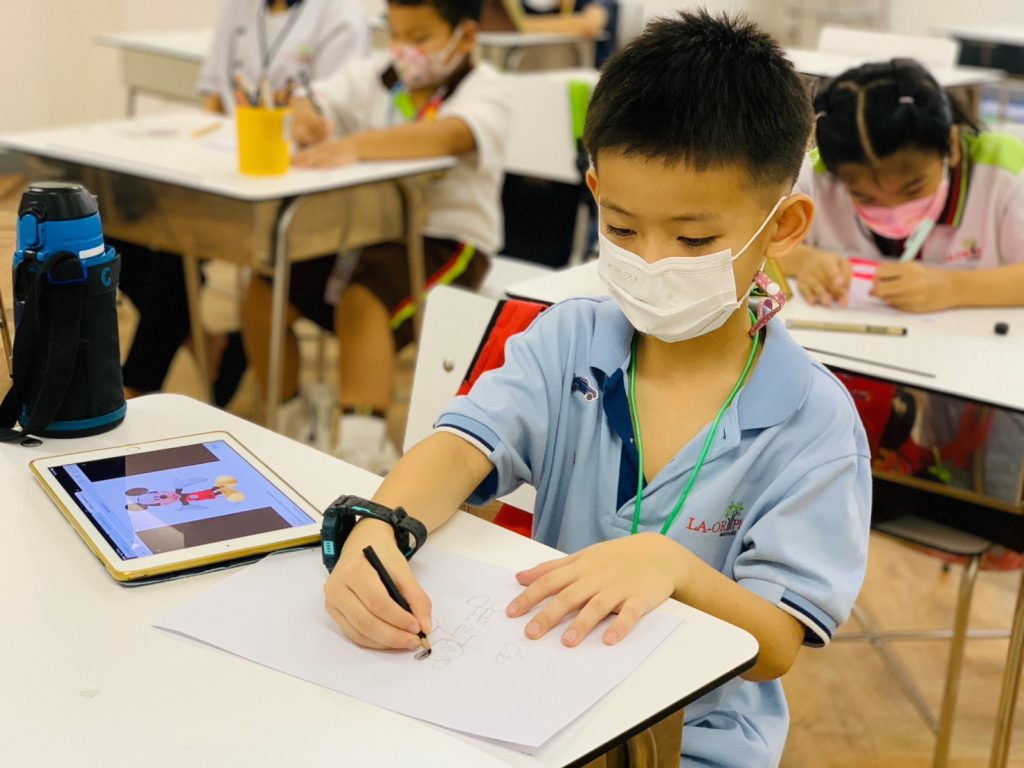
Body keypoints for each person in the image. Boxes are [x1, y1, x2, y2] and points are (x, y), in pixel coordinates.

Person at [320, 11, 871, 766]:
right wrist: (381, 526)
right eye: (622, 228)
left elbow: (776, 643)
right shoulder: (568, 342)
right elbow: (459, 450)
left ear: (783, 226)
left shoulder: (812, 421)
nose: (652, 262)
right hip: (533, 700)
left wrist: (676, 570)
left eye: (695, 239)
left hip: (692, 741)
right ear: (595, 192)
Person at [242, 0, 509, 472]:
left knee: (363, 301)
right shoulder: (374, 76)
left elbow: (450, 136)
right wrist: (301, 112)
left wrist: (353, 146)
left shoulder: (485, 87)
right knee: (266, 287)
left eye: (420, 38)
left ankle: (362, 454)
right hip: (362, 234)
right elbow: (310, 97)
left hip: (448, 242)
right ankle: (294, 423)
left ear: (466, 37)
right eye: (396, 35)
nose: (404, 50)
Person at [113, 0, 370, 403]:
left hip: (297, 179)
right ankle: (202, 341)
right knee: (116, 223)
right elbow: (215, 98)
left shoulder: (341, 14)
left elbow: (331, 116)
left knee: (180, 238)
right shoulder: (240, 7)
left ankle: (139, 386)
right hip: (227, 162)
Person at [788, 58, 1024, 311]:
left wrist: (956, 288)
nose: (893, 210)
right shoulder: (819, 175)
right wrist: (804, 260)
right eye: (865, 197)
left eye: (913, 189)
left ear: (952, 147)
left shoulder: (1006, 173)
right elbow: (763, 240)